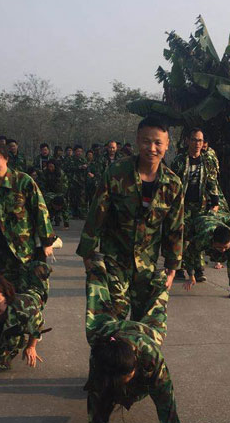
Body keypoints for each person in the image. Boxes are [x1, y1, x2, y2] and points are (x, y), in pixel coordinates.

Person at [77, 258, 200, 423]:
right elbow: (95, 393)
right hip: (108, 330)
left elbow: (165, 399)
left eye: (128, 376)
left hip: (146, 333)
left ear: (136, 365)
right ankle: (96, 266)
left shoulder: (151, 356)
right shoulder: (100, 356)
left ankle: (163, 275)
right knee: (96, 297)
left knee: (159, 301)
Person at [76, 115, 184, 321]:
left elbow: (175, 228)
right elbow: (96, 214)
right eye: (146, 141)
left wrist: (172, 267)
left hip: (147, 265)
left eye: (157, 143)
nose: (151, 148)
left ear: (167, 145)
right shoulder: (117, 172)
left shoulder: (173, 184)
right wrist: (87, 254)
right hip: (114, 259)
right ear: (137, 141)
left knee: (143, 322)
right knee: (113, 318)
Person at [0, 139, 56, 298]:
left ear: (6, 158)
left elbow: (40, 212)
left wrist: (46, 242)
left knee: (31, 295)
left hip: (25, 250)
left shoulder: (23, 181)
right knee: (5, 295)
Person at [171, 127, 220, 281]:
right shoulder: (179, 160)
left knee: (198, 237)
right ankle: (178, 268)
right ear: (188, 141)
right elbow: (172, 183)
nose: (197, 143)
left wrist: (215, 203)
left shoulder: (207, 161)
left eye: (200, 140)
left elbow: (212, 182)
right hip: (182, 205)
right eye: (194, 140)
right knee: (181, 236)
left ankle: (199, 270)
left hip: (200, 204)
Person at [183, 215, 230, 300]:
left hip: (215, 223)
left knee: (223, 257)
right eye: (219, 247)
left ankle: (199, 269)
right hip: (197, 224)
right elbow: (189, 254)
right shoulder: (203, 238)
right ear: (213, 241)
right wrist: (190, 276)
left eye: (225, 247)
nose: (223, 250)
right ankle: (181, 269)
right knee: (186, 247)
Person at [38, 158, 69, 228]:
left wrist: (61, 194)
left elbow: (65, 185)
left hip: (59, 192)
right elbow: (41, 184)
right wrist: (44, 193)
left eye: (52, 166)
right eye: (49, 166)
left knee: (61, 203)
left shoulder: (61, 173)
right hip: (48, 193)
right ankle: (49, 219)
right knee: (47, 203)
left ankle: (58, 218)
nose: (50, 168)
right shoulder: (44, 173)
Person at [67, 144, 89, 219]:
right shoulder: (70, 159)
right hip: (73, 181)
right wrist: (79, 167)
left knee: (82, 198)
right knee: (73, 198)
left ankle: (82, 213)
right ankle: (74, 213)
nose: (79, 153)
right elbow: (68, 168)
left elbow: (88, 169)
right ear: (74, 152)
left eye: (80, 151)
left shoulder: (83, 160)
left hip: (81, 181)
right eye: (77, 151)